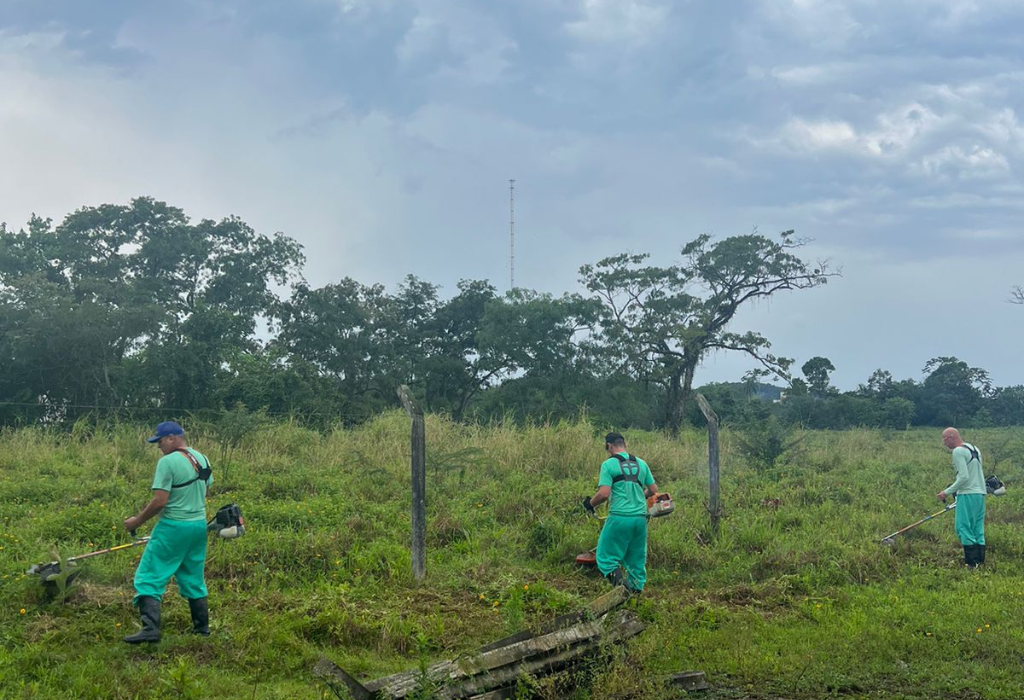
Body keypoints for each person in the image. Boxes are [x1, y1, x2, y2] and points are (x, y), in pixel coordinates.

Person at [122, 421, 213, 643]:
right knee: (192, 576)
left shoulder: (167, 462)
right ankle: (202, 630)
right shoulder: (202, 458)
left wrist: (136, 522)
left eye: (160, 442)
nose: (158, 447)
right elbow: (207, 487)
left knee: (149, 576)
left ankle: (150, 629)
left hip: (173, 527)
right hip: (198, 526)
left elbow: (160, 501)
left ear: (172, 438)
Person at [583, 432, 657, 592]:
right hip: (640, 519)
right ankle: (635, 595)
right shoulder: (642, 464)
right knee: (636, 561)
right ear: (625, 443)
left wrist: (590, 504)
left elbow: (603, 494)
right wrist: (639, 497)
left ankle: (622, 592)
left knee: (605, 557)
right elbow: (653, 490)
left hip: (620, 518)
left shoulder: (608, 465)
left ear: (609, 446)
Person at [936, 427, 986, 568]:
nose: (944, 443)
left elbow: (964, 476)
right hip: (980, 494)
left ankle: (971, 563)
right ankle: (980, 562)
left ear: (951, 437)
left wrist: (946, 492)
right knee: (977, 527)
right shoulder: (974, 448)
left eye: (945, 439)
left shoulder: (958, 451)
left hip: (967, 493)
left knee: (963, 527)